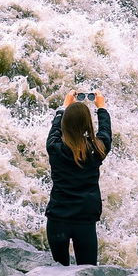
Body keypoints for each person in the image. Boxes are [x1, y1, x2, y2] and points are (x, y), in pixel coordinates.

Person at [45, 88, 112, 265]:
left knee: (58, 271)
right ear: (88, 125)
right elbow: (105, 132)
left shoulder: (55, 148)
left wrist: (64, 107)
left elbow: (54, 131)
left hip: (58, 218)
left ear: (65, 125)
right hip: (85, 220)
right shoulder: (97, 149)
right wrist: (101, 107)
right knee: (88, 270)